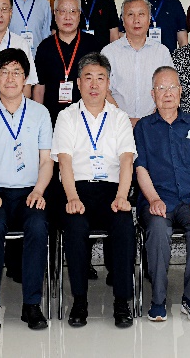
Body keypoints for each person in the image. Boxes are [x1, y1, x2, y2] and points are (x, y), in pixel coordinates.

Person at [52, 52, 137, 328]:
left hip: (113, 190)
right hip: (77, 189)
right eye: (88, 77)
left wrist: (122, 196)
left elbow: (127, 160)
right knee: (75, 227)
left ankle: (122, 302)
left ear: (108, 83)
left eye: (101, 78)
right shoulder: (66, 117)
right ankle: (79, 301)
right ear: (78, 83)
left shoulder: (119, 117)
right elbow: (64, 161)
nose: (94, 84)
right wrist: (72, 197)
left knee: (124, 225)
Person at [0, 49, 53, 330]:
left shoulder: (40, 113)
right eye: (4, 72)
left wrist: (39, 191)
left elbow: (46, 161)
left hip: (31, 191)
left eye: (16, 72)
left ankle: (32, 305)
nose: (10, 78)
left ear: (25, 78)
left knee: (38, 227)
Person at [134, 67, 190, 322]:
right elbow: (141, 169)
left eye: (171, 88)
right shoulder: (143, 127)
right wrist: (153, 199)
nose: (167, 93)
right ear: (152, 94)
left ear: (180, 91)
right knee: (157, 230)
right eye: (161, 88)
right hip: (157, 200)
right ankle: (158, 300)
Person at [33, 0, 105, 123]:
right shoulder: (44, 47)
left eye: (73, 11)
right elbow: (39, 88)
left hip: (86, 119)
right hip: (52, 119)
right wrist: (38, 120)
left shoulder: (93, 45)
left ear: (79, 14)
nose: (68, 17)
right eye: (63, 11)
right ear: (55, 14)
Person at [103, 0, 173, 126]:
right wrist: (124, 120)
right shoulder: (108, 53)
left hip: (155, 125)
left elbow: (169, 91)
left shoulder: (162, 52)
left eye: (141, 14)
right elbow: (104, 92)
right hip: (116, 126)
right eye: (130, 14)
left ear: (149, 19)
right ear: (122, 20)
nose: (136, 20)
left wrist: (151, 121)